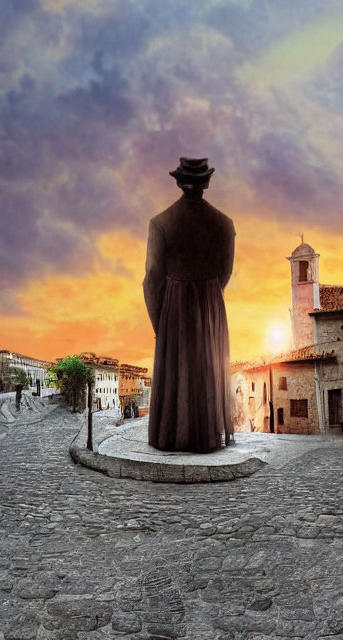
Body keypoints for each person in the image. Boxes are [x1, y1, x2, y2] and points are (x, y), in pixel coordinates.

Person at [143, 157, 235, 452]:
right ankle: (206, 436)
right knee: (206, 370)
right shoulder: (224, 223)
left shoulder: (160, 223)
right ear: (206, 182)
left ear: (179, 182)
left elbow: (152, 279)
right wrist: (207, 296)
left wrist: (161, 323)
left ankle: (171, 436)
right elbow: (225, 273)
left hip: (174, 307)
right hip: (210, 306)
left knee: (176, 370)